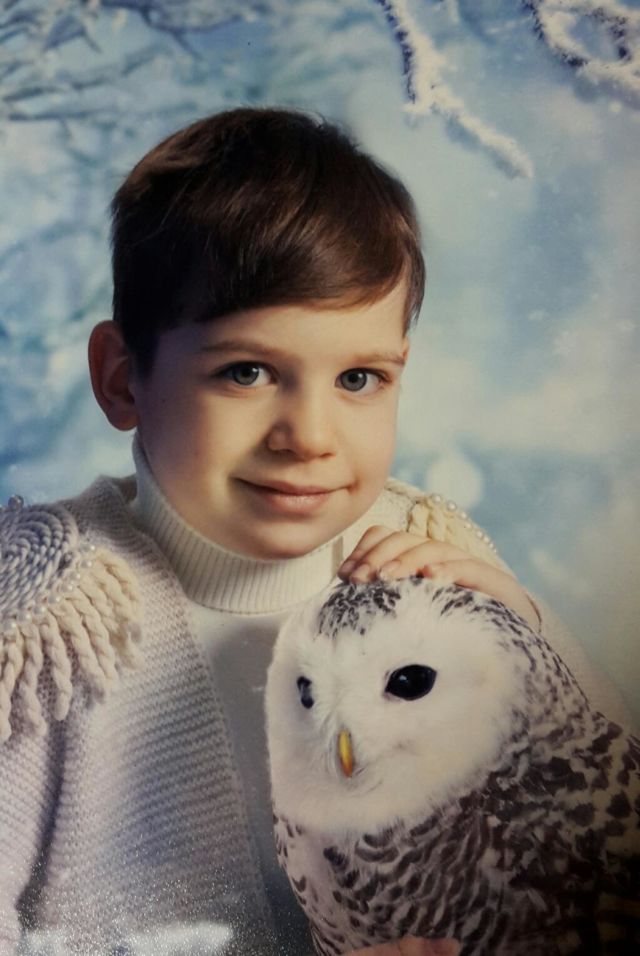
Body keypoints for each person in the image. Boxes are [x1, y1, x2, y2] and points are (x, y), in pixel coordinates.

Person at [0, 107, 631, 956]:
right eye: (247, 371)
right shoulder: (46, 626)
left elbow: (607, 827)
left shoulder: (430, 559)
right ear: (122, 378)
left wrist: (526, 636)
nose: (311, 436)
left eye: (360, 378)